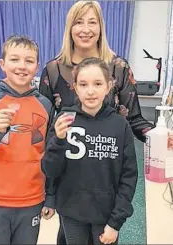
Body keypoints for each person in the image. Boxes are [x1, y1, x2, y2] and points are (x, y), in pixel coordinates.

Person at [38, 1, 152, 244]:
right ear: (69, 28)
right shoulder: (53, 70)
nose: (85, 29)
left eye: (92, 22)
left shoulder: (118, 68)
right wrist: (48, 193)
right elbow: (47, 131)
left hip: (105, 182)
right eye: (79, 22)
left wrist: (159, 136)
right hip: (70, 187)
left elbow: (134, 119)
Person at [42, 57, 138, 245]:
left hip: (106, 215)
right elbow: (50, 170)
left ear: (108, 86)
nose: (91, 91)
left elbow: (129, 177)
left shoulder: (120, 125)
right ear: (75, 87)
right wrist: (59, 141)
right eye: (84, 84)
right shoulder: (64, 119)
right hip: (71, 213)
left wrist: (116, 222)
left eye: (97, 83)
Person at [0, 35, 55, 245]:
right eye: (14, 59)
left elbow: (49, 155)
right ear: (2, 64)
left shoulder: (45, 105)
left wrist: (51, 197)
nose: (22, 66)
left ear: (37, 67)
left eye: (29, 61)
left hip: (31, 200)